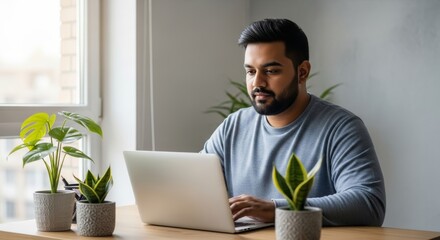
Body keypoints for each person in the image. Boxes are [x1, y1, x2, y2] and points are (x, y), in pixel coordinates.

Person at [201, 18, 386, 226]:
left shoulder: (342, 127)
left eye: (271, 71)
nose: (257, 83)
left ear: (302, 72)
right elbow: (193, 186)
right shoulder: (232, 126)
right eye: (251, 71)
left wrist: (276, 209)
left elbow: (368, 203)